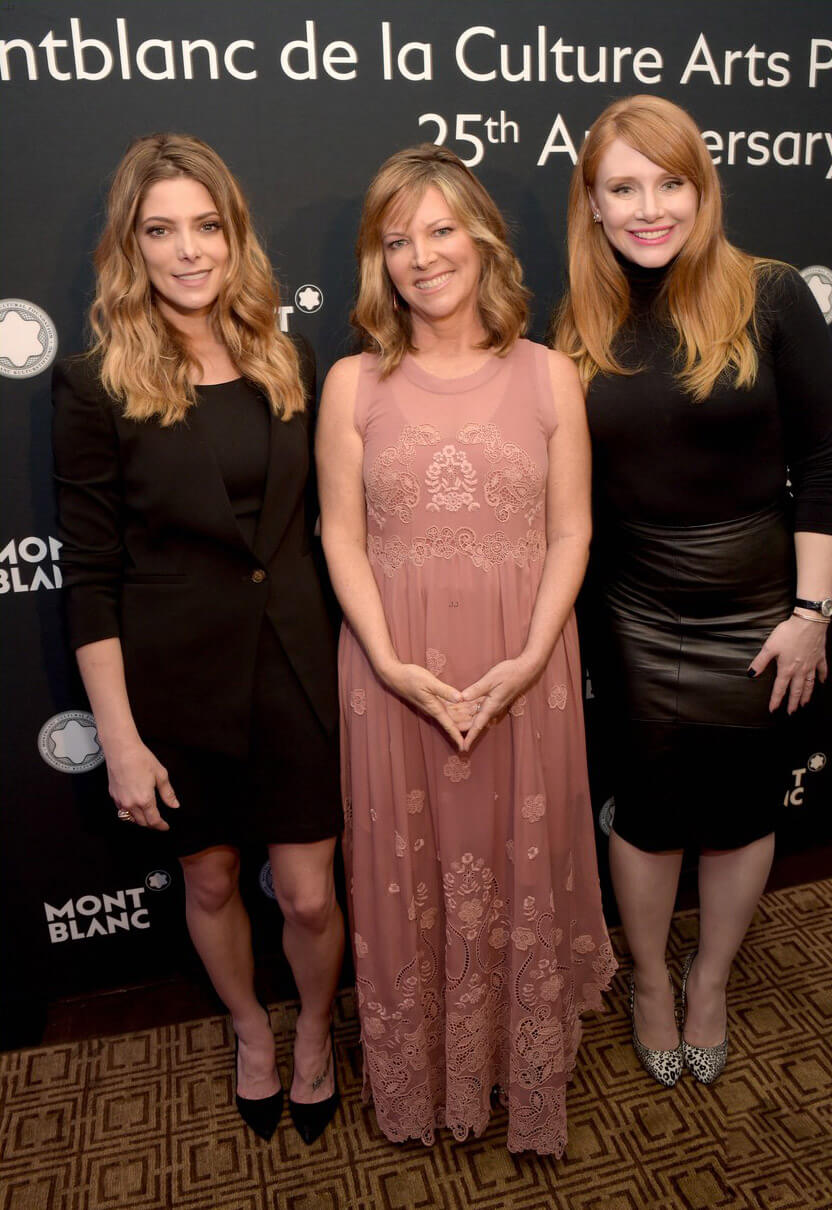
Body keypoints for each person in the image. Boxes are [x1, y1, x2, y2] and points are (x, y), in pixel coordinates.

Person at [316, 144, 616, 1156]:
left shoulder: (548, 375)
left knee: (513, 862)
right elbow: (342, 536)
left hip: (522, 659)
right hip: (392, 670)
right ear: (378, 261)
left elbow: (573, 529)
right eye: (397, 240)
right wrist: (391, 662)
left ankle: (510, 1066)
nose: (420, 256)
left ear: (483, 238)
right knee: (409, 871)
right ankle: (426, 1072)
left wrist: (532, 656)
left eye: (440, 229)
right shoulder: (352, 384)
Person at [52, 133, 344, 1143]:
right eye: (161, 230)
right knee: (213, 875)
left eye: (207, 226)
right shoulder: (96, 383)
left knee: (308, 896)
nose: (188, 251)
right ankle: (249, 1030)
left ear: (235, 234)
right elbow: (90, 575)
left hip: (299, 668)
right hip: (177, 682)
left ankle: (314, 1030)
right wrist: (120, 739)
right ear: (131, 246)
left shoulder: (288, 355)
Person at [555, 95, 832, 1086]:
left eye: (669, 183)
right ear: (591, 204)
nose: (649, 208)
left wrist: (810, 615)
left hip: (759, 606)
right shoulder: (578, 320)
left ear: (701, 188)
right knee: (645, 812)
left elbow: (824, 465)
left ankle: (710, 977)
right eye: (623, 187)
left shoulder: (770, 295)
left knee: (741, 811)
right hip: (630, 609)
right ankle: (647, 978)